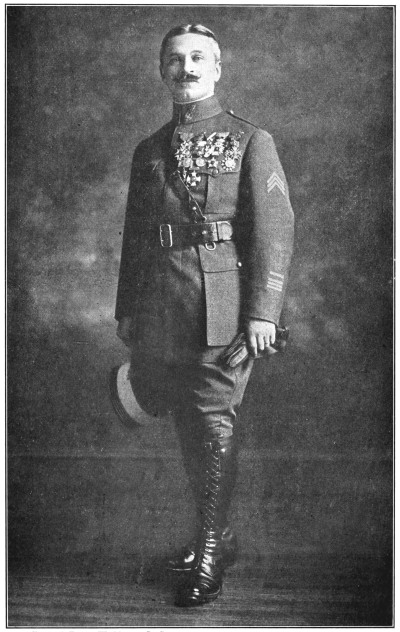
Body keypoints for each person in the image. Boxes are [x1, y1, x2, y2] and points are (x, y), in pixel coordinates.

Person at [115, 24, 294, 607]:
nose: (186, 69)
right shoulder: (149, 149)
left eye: (197, 59)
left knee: (214, 426)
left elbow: (275, 230)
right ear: (162, 71)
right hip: (160, 309)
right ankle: (216, 536)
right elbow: (136, 237)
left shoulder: (250, 140)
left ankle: (211, 551)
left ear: (217, 69)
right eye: (174, 59)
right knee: (190, 430)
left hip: (222, 308)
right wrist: (127, 311)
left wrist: (263, 312)